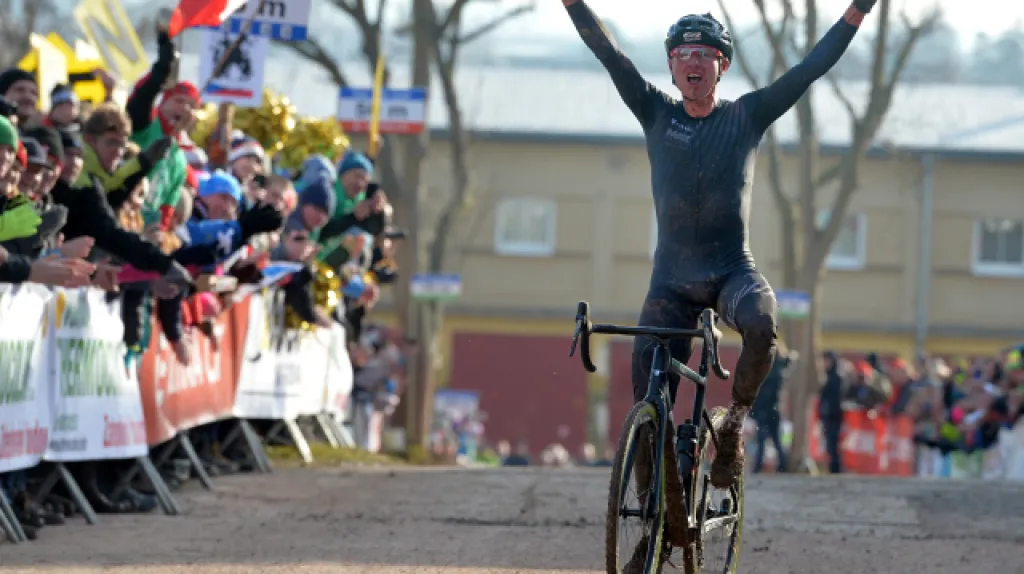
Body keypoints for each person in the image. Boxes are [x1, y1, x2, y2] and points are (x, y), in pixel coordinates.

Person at [562, 0, 875, 501]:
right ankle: (650, 522)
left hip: (731, 271)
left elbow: (811, 67)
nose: (692, 62)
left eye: (703, 55)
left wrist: (858, 10)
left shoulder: (748, 115)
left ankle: (731, 430)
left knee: (761, 320)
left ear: (720, 66)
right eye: (682, 54)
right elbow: (609, 53)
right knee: (647, 404)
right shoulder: (654, 110)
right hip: (671, 285)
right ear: (670, 65)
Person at [751, 343, 791, 473]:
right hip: (773, 410)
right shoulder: (779, 369)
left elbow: (764, 394)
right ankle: (782, 466)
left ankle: (759, 467)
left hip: (766, 410)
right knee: (775, 440)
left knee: (763, 440)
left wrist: (758, 409)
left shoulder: (771, 371)